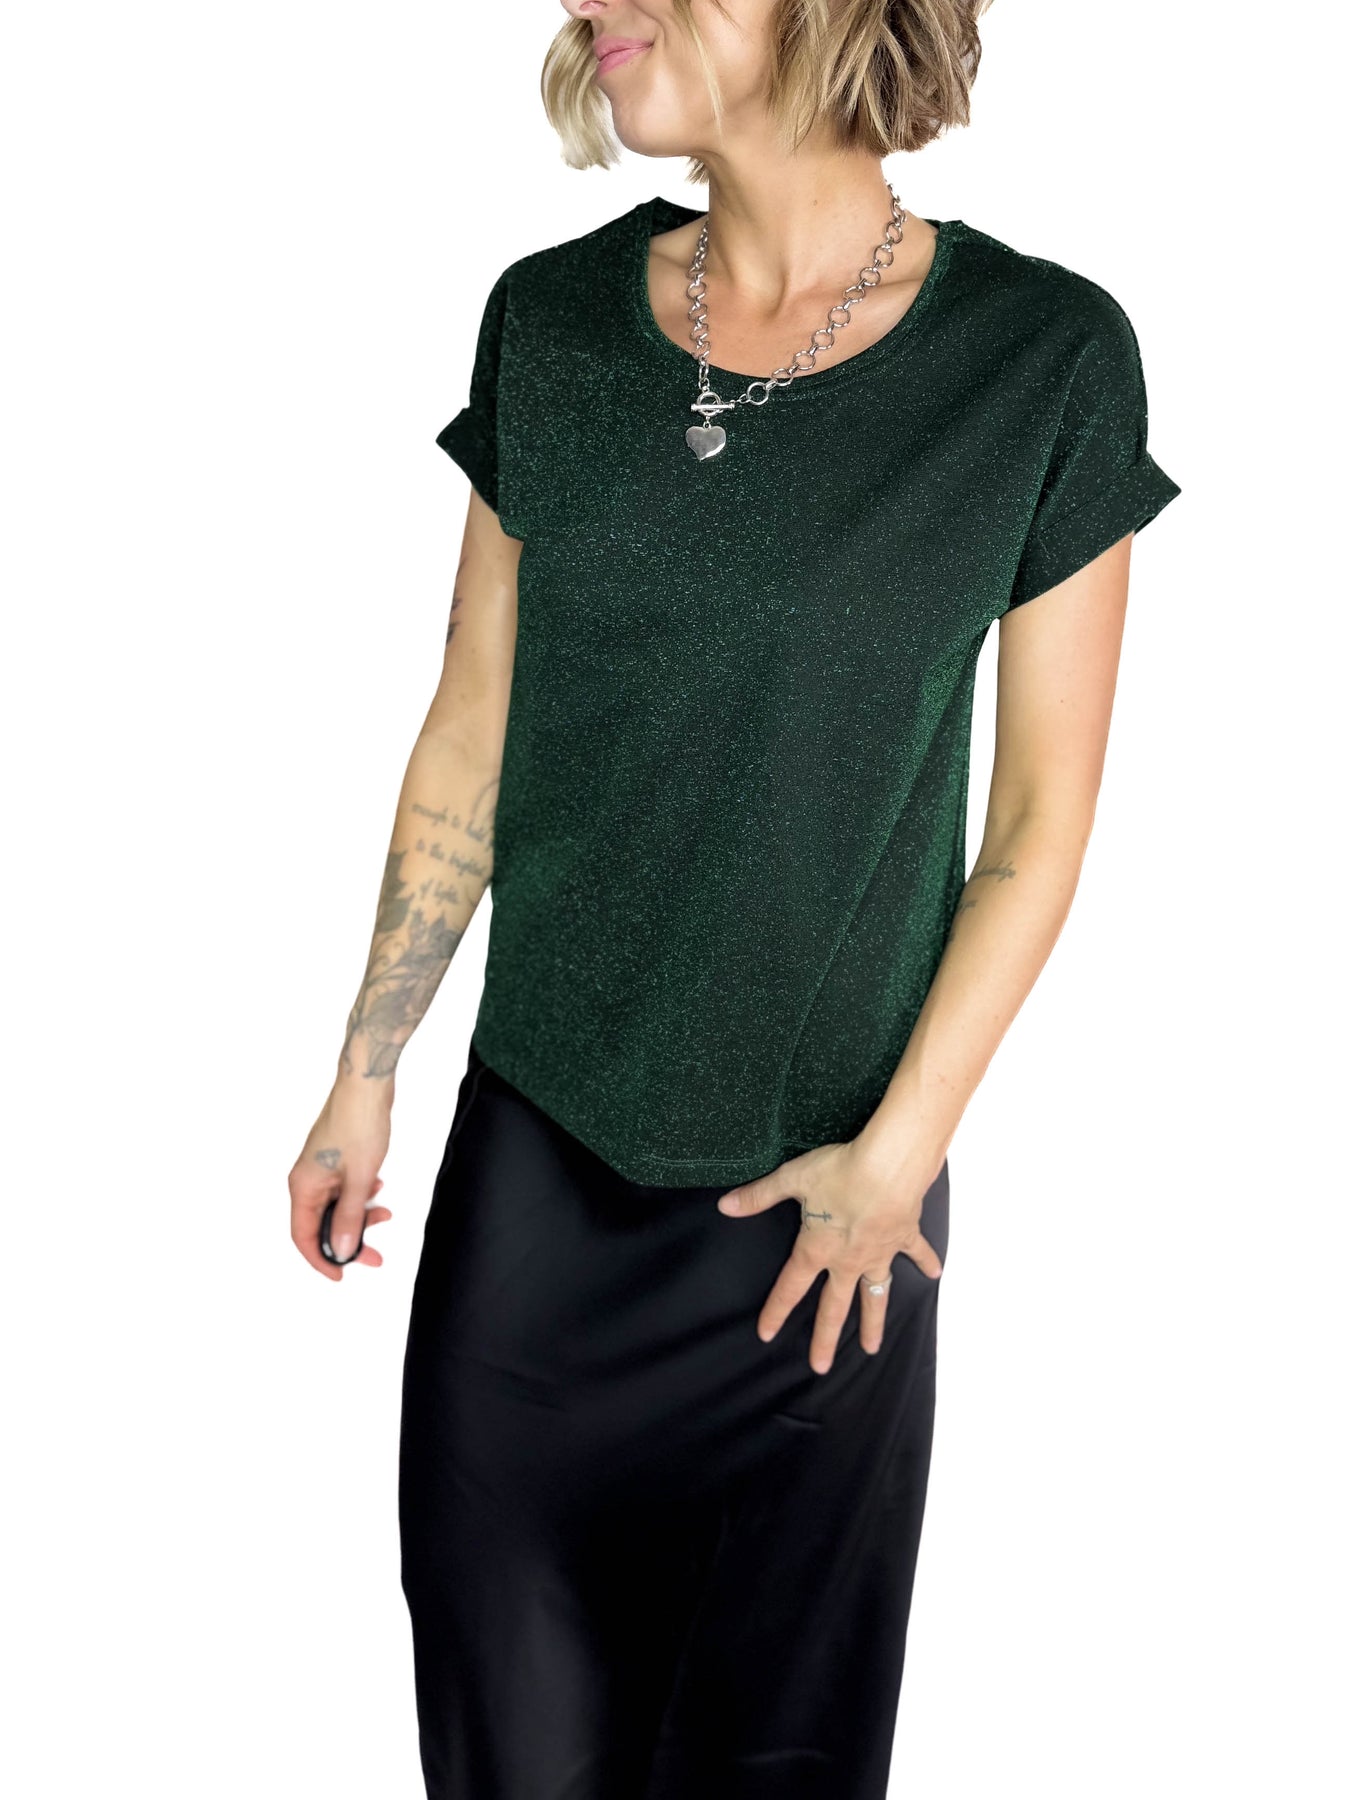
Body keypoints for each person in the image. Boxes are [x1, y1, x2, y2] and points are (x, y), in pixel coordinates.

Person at [288, 2, 1181, 1794]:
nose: (586, 6)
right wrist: (364, 1072)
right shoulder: (550, 321)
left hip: (822, 1222)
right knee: (509, 1754)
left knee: (774, 1758)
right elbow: (472, 726)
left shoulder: (1040, 355)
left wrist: (894, 1159)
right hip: (536, 1191)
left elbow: (1036, 824)